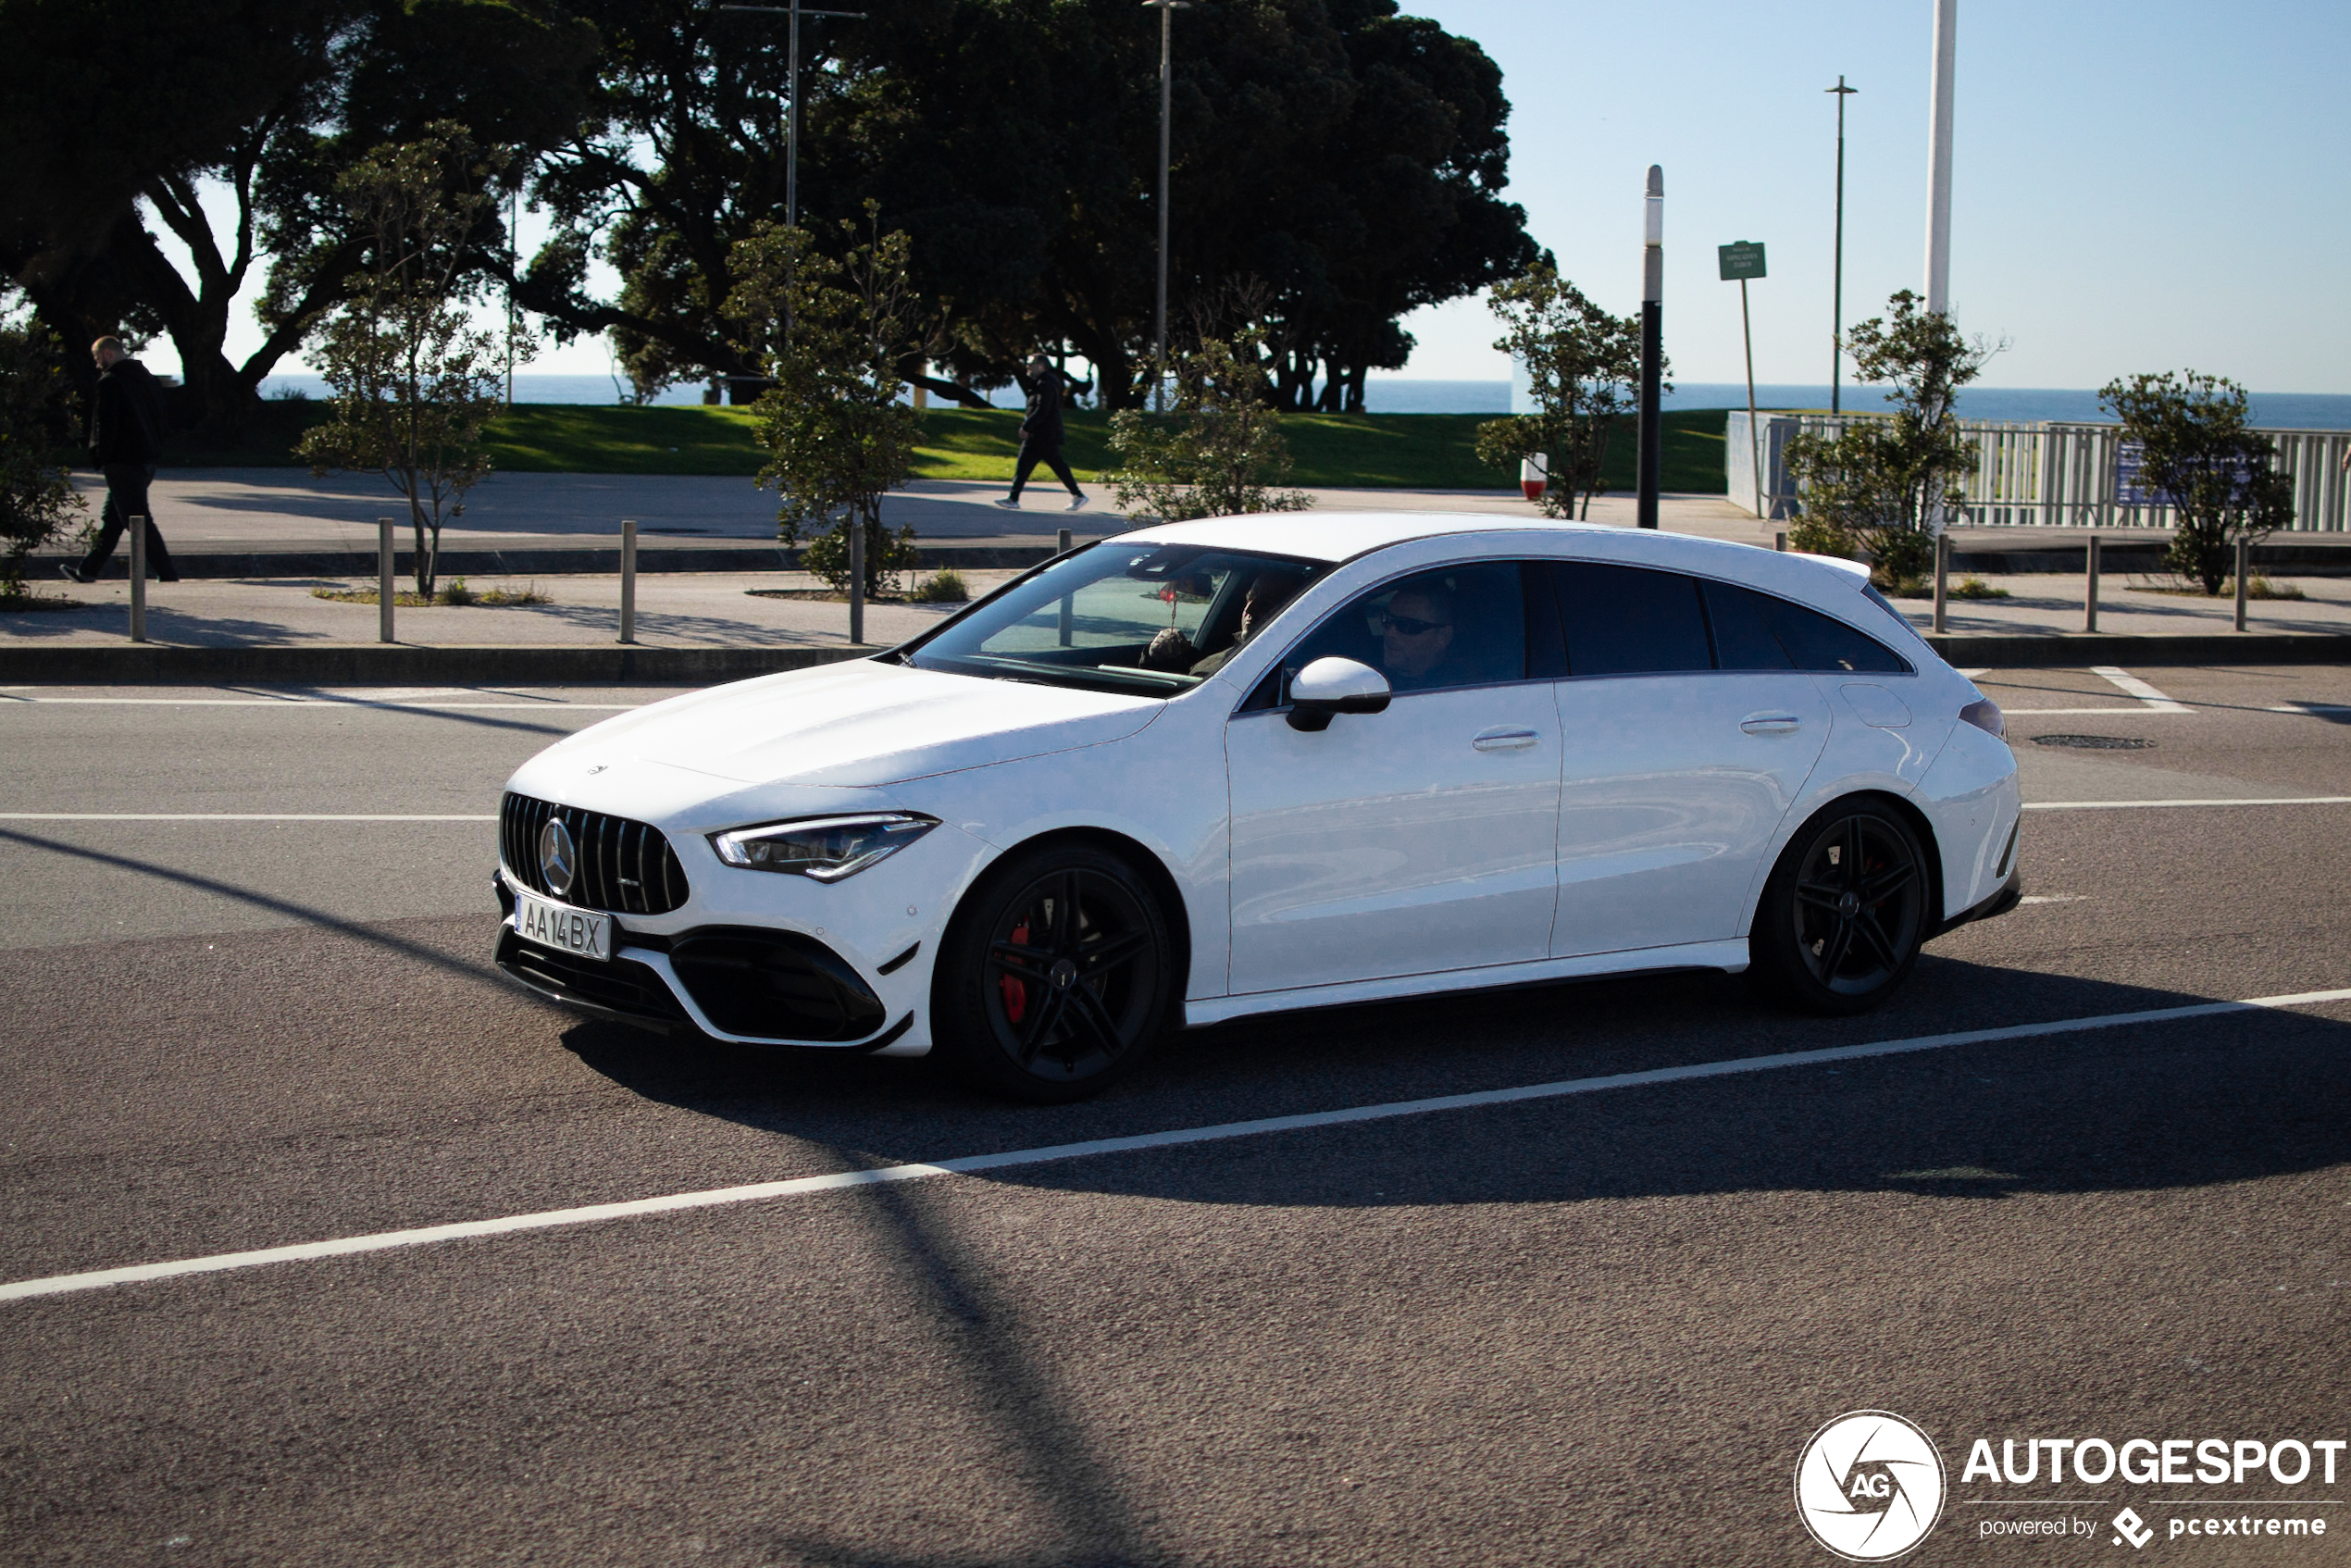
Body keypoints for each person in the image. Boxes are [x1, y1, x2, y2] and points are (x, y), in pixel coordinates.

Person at [62, 336, 176, 583]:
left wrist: (102, 456)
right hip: (147, 459)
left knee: (137, 519)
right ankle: (88, 569)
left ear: (107, 354)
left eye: (96, 358)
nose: (96, 365)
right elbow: (161, 418)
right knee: (113, 518)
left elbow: (106, 424)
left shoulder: (110, 382)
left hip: (122, 461)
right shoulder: (148, 380)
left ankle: (168, 574)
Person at [994, 354, 1088, 512]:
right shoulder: (1040, 384)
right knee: (1037, 465)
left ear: (1041, 366)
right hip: (1040, 433)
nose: (1028, 367)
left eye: (1031, 364)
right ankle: (1014, 498)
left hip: (1044, 434)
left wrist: (1027, 427)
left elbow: (1042, 411)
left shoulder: (1046, 385)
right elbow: (1035, 409)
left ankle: (1014, 499)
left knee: (1035, 465)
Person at [1189, 570, 1304, 676]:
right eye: (1250, 598)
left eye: (1264, 603)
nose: (1249, 610)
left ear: (1291, 611)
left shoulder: (1291, 679)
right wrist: (1184, 656)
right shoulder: (1208, 666)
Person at [1374, 585, 1462, 691]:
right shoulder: (1366, 673)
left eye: (1406, 625)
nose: (1390, 633)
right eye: (1387, 620)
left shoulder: (1460, 689)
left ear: (1442, 637)